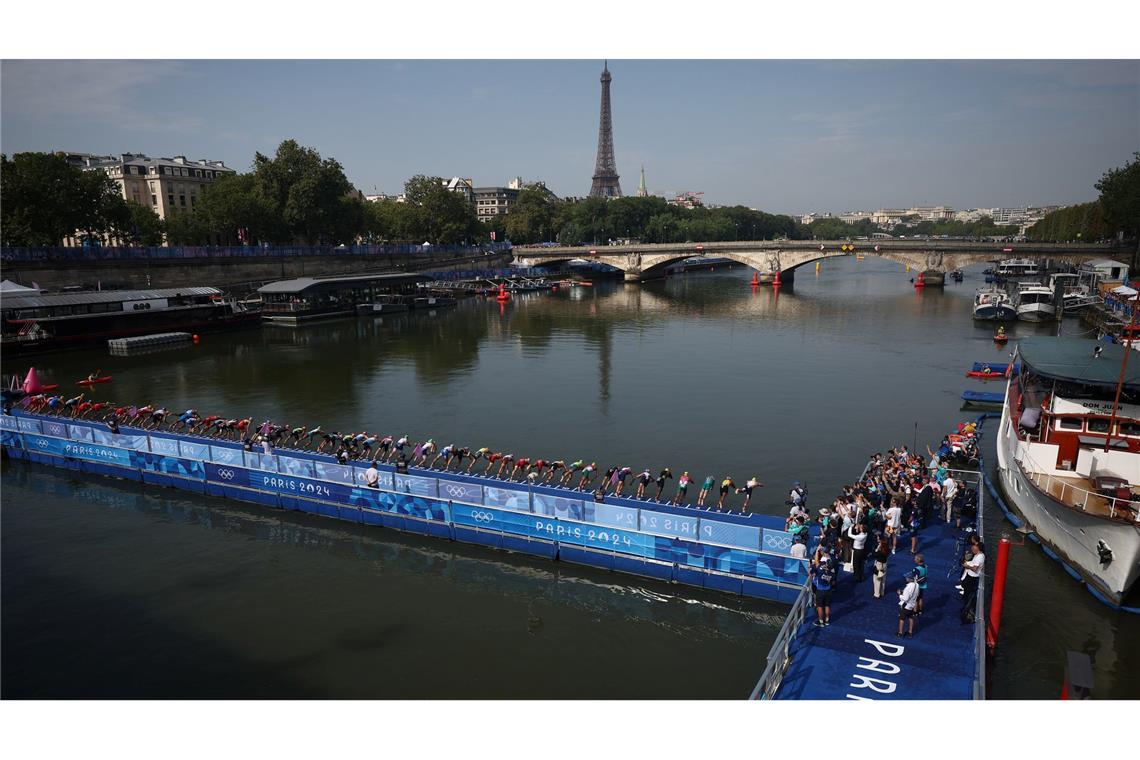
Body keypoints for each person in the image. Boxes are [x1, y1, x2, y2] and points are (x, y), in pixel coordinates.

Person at [960, 542, 985, 623]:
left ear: (978, 549)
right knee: (967, 595)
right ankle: (966, 611)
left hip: (972, 578)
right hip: (970, 577)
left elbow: (975, 569)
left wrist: (966, 566)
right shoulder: (978, 555)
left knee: (969, 597)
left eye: (974, 549)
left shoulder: (979, 557)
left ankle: (967, 614)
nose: (972, 550)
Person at [810, 553, 835, 627]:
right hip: (828, 590)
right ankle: (827, 620)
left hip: (820, 591)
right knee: (827, 605)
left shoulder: (820, 570)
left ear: (827, 565)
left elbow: (816, 564)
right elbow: (833, 582)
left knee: (820, 606)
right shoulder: (832, 574)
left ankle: (821, 622)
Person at [897, 571, 920, 638]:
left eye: (907, 577)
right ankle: (910, 632)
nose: (906, 578)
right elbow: (917, 594)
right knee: (911, 618)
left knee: (902, 619)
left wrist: (900, 595)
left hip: (906, 606)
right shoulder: (917, 585)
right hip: (912, 605)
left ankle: (900, 633)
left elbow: (905, 599)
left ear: (909, 579)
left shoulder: (907, 588)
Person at [872, 534, 890, 599]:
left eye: (878, 537)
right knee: (883, 579)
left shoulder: (880, 549)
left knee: (877, 580)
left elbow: (874, 554)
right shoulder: (886, 547)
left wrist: (876, 549)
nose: (877, 538)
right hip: (885, 564)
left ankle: (877, 594)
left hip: (879, 565)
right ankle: (882, 592)